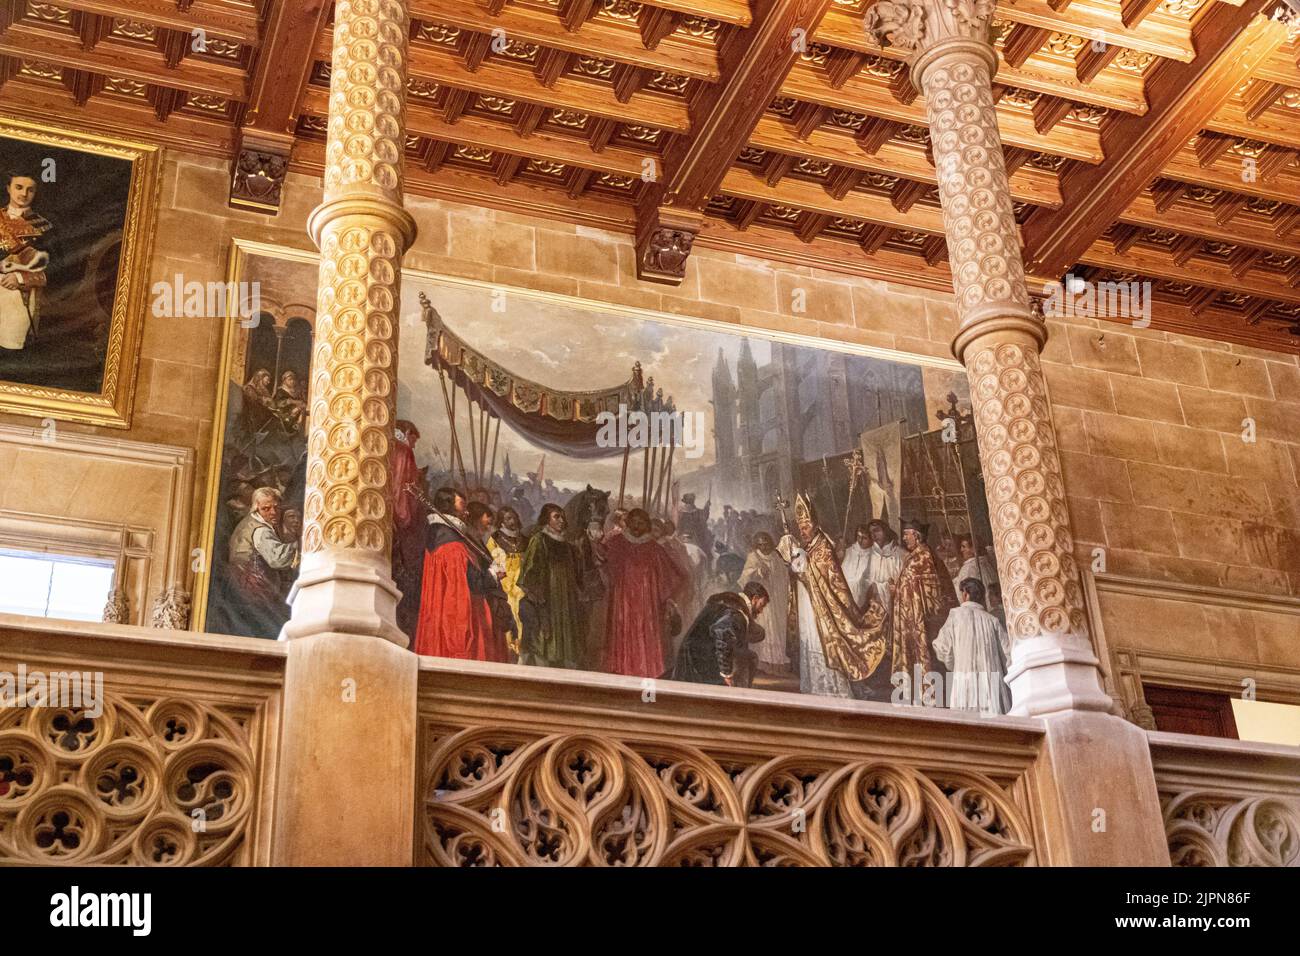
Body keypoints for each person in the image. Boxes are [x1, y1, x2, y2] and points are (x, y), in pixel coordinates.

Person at [777, 494, 887, 699]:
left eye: (807, 527)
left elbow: (824, 579)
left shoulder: (824, 548)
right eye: (801, 528)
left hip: (823, 608)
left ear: (816, 525)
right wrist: (792, 563)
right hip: (809, 606)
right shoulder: (808, 547)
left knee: (823, 642)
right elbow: (802, 574)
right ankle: (814, 687)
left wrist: (799, 568)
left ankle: (832, 689)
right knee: (810, 640)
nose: (804, 531)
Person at [414, 486, 508, 662]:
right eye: (462, 505)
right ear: (449, 506)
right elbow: (475, 583)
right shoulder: (454, 546)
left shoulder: (438, 535)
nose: (466, 511)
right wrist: (493, 574)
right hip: (458, 615)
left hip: (439, 613)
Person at [601, 508, 686, 678]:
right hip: (622, 601)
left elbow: (673, 574)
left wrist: (667, 598)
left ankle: (645, 670)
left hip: (647, 604)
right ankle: (621, 668)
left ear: (647, 525)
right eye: (634, 521)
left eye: (641, 522)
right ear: (628, 522)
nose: (637, 526)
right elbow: (602, 560)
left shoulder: (654, 549)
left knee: (644, 635)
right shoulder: (616, 543)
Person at [889, 518, 959, 682]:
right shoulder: (915, 556)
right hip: (915, 616)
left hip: (924, 618)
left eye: (907, 535)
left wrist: (897, 589)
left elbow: (919, 587)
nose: (904, 538)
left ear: (917, 536)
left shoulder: (923, 557)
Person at [517, 503, 584, 669]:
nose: (561, 520)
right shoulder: (539, 540)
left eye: (562, 517)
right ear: (546, 520)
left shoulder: (568, 545)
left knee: (567, 638)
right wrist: (538, 599)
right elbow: (529, 572)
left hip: (566, 600)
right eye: (556, 517)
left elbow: (576, 574)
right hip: (546, 599)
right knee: (544, 638)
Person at [933, 578, 1012, 716]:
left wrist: (954, 664)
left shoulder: (955, 615)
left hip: (965, 679)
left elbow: (942, 648)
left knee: (967, 720)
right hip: (991, 684)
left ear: (965, 594)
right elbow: (1008, 655)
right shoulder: (992, 621)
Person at [226, 487, 300, 632]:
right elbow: (278, 558)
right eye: (266, 509)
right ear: (256, 509)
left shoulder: (248, 522)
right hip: (256, 588)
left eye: (276, 508)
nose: (273, 512)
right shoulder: (260, 530)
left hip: (241, 587)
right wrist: (301, 545)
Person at [672, 582, 769, 688]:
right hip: (699, 659)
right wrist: (726, 674)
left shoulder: (733, 605)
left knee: (749, 657)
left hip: (702, 652)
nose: (761, 611)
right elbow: (722, 639)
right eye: (761, 605)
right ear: (755, 598)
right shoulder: (735, 611)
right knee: (747, 661)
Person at [0, 170, 50, 351]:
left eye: (30, 190)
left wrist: (19, 278)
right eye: (19, 187)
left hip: (17, 297)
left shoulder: (42, 226)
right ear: (8, 188)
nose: (23, 194)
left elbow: (54, 266)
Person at [390, 420, 426, 639]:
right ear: (408, 433)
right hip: (399, 517)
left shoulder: (387, 444)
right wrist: (404, 516)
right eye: (414, 439)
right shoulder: (403, 451)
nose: (414, 445)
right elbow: (401, 487)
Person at [739, 532, 790, 675]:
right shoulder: (753, 557)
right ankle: (762, 662)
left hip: (775, 599)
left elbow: (783, 575)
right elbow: (744, 578)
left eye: (766, 543)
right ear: (757, 545)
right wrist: (757, 572)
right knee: (764, 627)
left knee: (776, 629)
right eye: (760, 544)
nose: (764, 546)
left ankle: (775, 663)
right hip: (761, 601)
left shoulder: (775, 556)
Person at [486, 506, 528, 659]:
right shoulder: (495, 539)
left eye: (514, 517)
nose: (513, 520)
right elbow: (493, 562)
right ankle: (509, 648)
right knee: (509, 613)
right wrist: (505, 582)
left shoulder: (524, 538)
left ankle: (521, 647)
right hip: (505, 583)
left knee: (522, 614)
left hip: (522, 582)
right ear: (502, 522)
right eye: (508, 518)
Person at [860, 519, 904, 616]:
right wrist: (870, 587)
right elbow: (863, 581)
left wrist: (882, 588)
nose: (874, 536)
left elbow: (903, 583)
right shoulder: (869, 554)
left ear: (886, 531)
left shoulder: (900, 554)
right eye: (871, 532)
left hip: (895, 607)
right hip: (873, 608)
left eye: (877, 530)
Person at [951, 534, 999, 599]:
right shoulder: (986, 561)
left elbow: (962, 593)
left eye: (964, 547)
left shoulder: (969, 567)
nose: (961, 550)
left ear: (973, 548)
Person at [840, 524, 875, 608]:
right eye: (858, 536)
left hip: (862, 598)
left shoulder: (873, 555)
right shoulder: (849, 551)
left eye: (864, 538)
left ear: (872, 540)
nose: (860, 541)